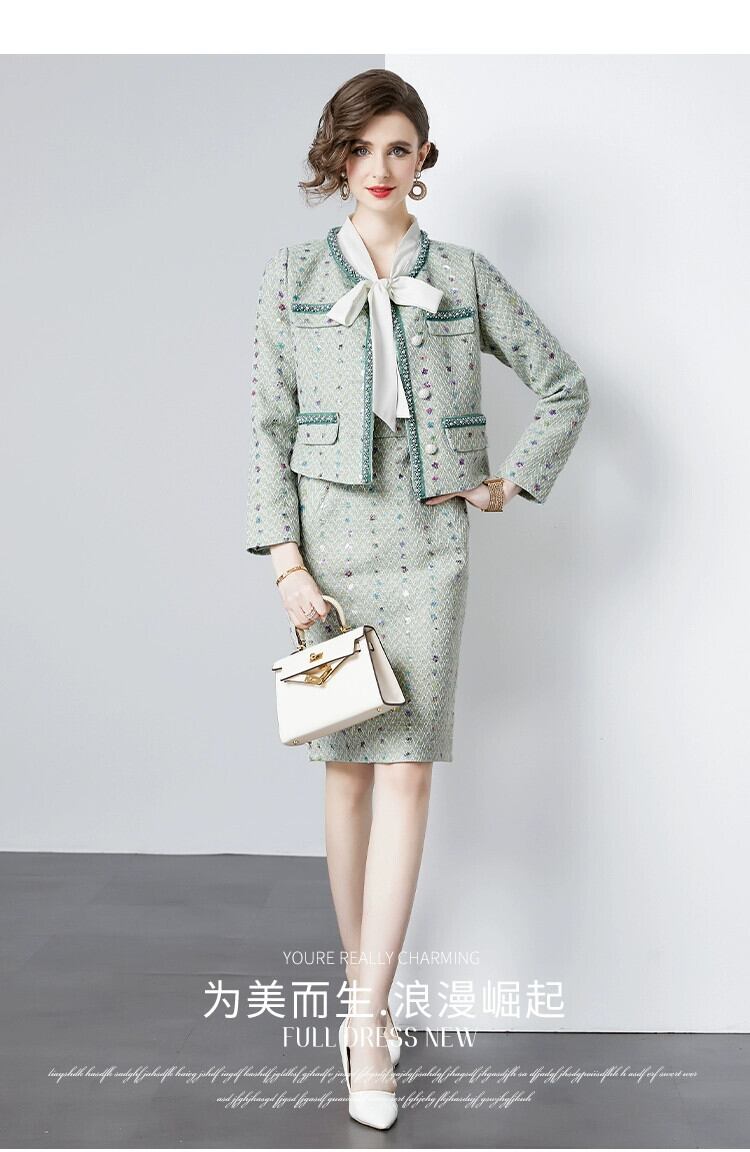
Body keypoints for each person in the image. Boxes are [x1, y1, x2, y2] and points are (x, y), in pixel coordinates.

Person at [245, 68, 590, 1130]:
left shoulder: (467, 276)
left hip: (431, 541)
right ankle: (370, 1005)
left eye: (400, 148)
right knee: (347, 773)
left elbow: (564, 385)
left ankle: (365, 1018)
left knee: (406, 772)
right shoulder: (294, 275)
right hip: (331, 544)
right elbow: (268, 425)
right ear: (338, 159)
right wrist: (287, 562)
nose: (381, 168)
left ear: (425, 158)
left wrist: (508, 482)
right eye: (362, 149)